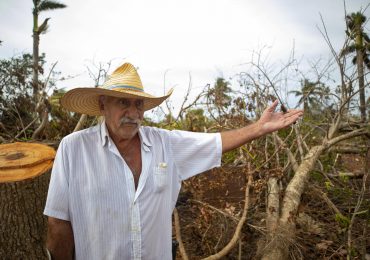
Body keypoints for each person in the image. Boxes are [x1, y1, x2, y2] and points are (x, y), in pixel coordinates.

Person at [44, 63, 303, 260]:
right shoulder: (74, 149)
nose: (133, 114)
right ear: (103, 104)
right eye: (124, 103)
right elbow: (58, 223)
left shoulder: (165, 143)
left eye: (139, 105)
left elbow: (214, 142)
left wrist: (258, 128)